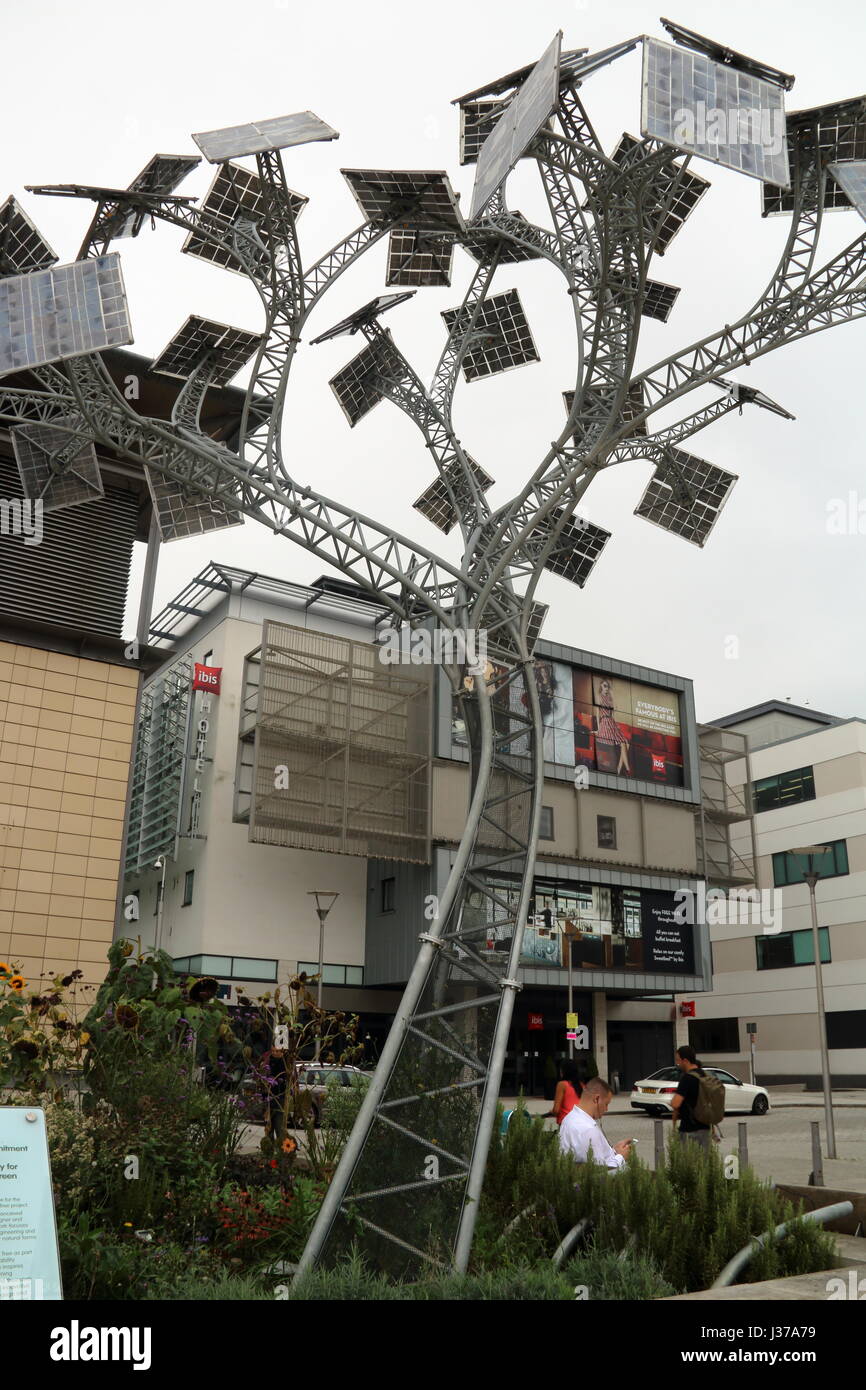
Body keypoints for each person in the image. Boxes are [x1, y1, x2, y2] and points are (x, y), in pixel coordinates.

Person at [559, 1076, 633, 1170]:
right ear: (596, 1099)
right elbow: (600, 1171)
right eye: (606, 1104)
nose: (606, 1109)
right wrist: (621, 1157)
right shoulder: (588, 1129)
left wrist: (614, 1151)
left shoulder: (569, 1118)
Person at [671, 1045, 712, 1151]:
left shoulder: (687, 1078)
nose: (677, 1063)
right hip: (705, 1128)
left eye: (678, 1060)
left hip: (689, 1129)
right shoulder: (705, 1075)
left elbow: (676, 1104)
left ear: (685, 1060)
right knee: (703, 1164)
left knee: (688, 1164)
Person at [549, 1059, 584, 1126]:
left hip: (567, 1122)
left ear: (563, 1071)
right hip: (581, 1122)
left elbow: (556, 1110)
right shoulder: (581, 1085)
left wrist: (552, 1112)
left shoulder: (562, 1084)